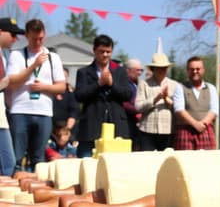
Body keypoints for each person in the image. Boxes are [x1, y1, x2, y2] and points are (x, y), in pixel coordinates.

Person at [6, 19, 66, 171]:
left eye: (41, 38)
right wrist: (34, 66)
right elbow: (11, 82)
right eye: (34, 39)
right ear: (26, 36)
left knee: (38, 159)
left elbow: (61, 87)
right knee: (17, 158)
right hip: (20, 111)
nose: (38, 42)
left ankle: (35, 190)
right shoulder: (17, 55)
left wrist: (44, 87)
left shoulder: (53, 57)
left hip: (44, 112)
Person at [74, 35, 132, 157]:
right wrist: (99, 84)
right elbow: (79, 95)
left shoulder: (120, 71)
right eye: (102, 51)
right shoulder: (84, 72)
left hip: (117, 125)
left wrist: (112, 84)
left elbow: (127, 94)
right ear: (94, 51)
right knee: (88, 164)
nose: (105, 55)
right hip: (91, 127)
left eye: (108, 52)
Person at [172, 56, 218, 150]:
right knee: (184, 163)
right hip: (185, 130)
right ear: (187, 71)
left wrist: (203, 124)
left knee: (207, 162)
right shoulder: (180, 87)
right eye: (192, 69)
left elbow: (214, 110)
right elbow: (179, 109)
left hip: (206, 130)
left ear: (203, 70)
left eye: (198, 69)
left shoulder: (211, 88)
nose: (195, 72)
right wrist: (195, 124)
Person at [135, 52, 176, 151]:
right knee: (148, 162)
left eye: (164, 68)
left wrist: (166, 99)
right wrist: (155, 99)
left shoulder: (174, 85)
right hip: (147, 130)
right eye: (159, 68)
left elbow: (177, 109)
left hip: (168, 130)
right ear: (153, 69)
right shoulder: (144, 84)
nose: (162, 70)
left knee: (166, 162)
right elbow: (138, 107)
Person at [0, 18, 25, 176]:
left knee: (8, 165)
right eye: (13, 34)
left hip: (2, 116)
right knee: (8, 165)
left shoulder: (3, 56)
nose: (15, 39)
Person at [122, 58, 143, 150]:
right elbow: (123, 102)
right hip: (127, 123)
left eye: (141, 70)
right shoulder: (123, 84)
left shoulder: (140, 84)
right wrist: (138, 110)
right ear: (128, 70)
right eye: (137, 70)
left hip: (139, 125)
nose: (140, 73)